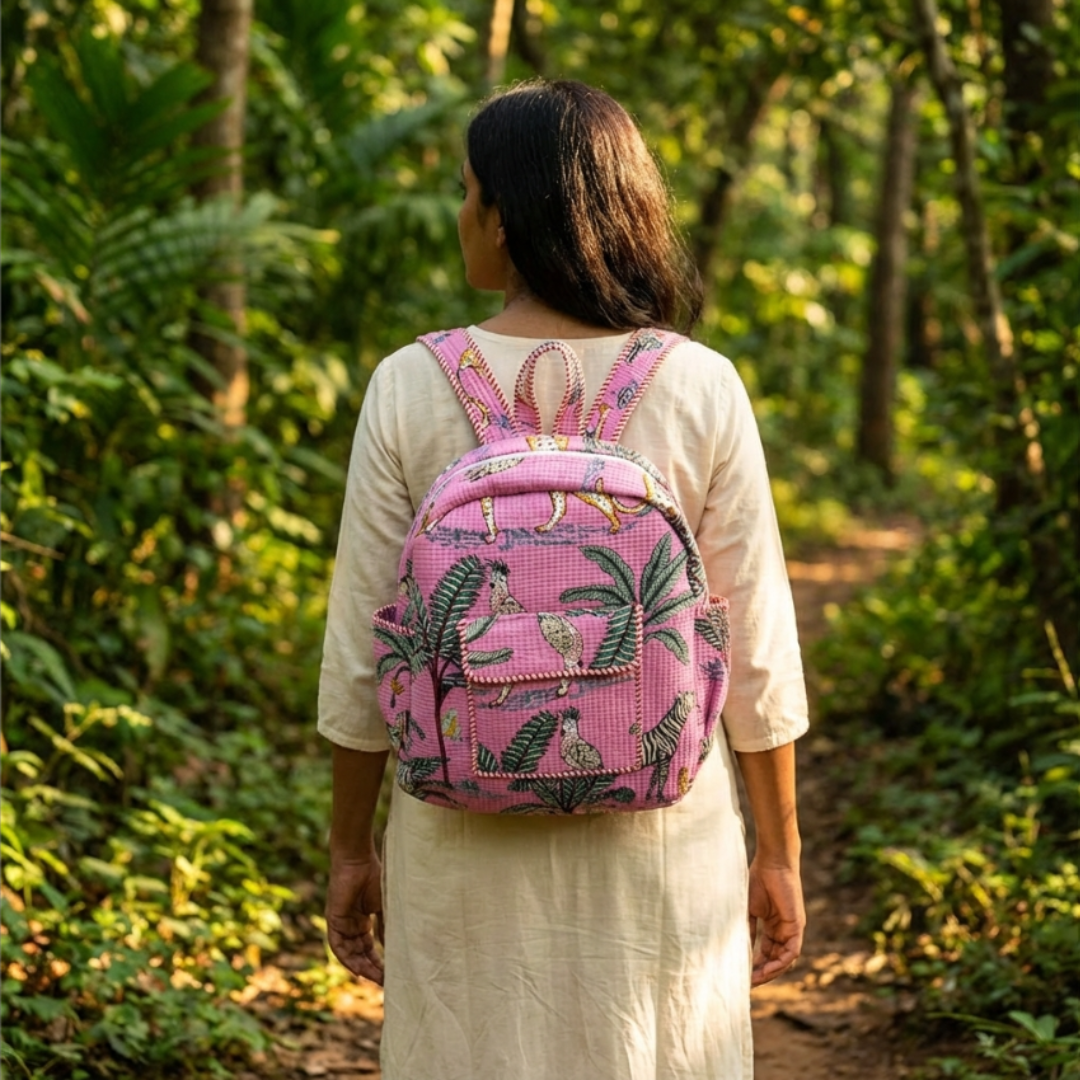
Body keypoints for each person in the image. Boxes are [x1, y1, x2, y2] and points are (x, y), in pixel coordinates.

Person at [318, 79, 808, 1080]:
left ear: (505, 218)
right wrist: (779, 851)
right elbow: (756, 644)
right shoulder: (698, 382)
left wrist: (351, 849)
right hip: (662, 836)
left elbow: (365, 647)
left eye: (467, 193)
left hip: (460, 834)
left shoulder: (409, 383)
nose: (460, 215)